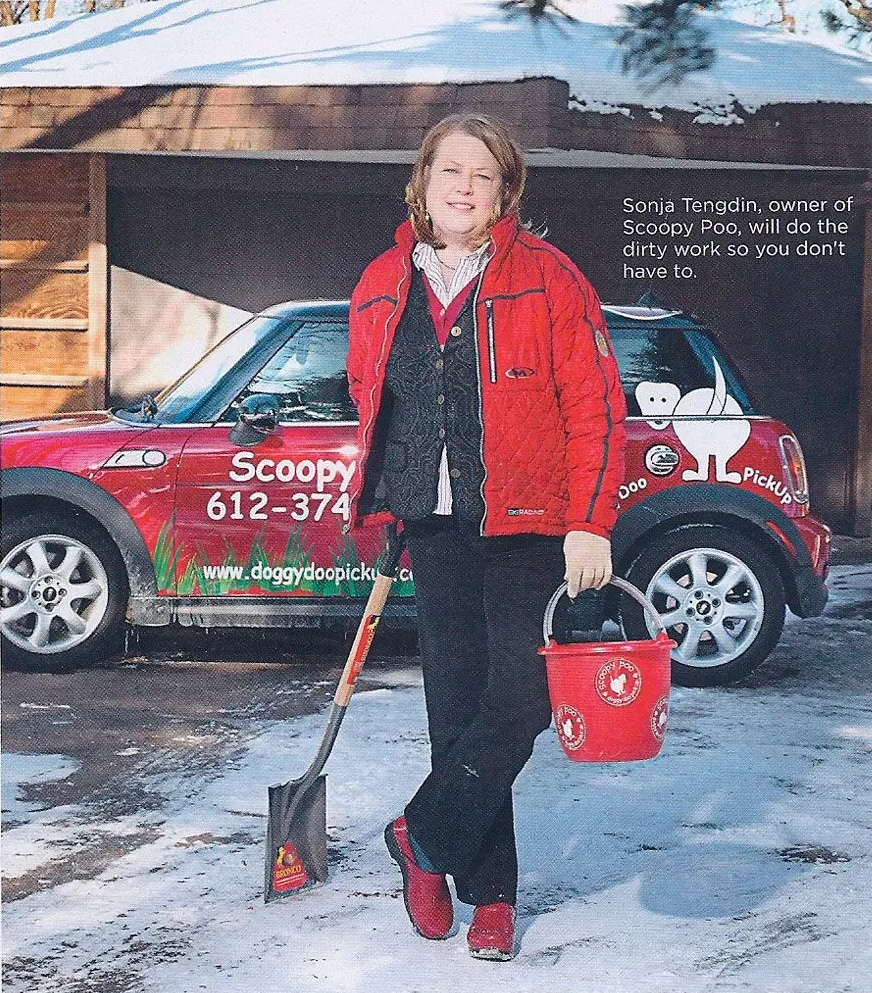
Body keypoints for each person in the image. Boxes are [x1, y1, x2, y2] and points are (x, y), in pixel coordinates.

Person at [346, 113, 627, 961]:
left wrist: (590, 520)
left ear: (506, 192)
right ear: (422, 181)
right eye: (449, 171)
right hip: (432, 526)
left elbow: (597, 407)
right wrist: (386, 499)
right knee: (455, 708)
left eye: (483, 175)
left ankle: (421, 837)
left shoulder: (549, 278)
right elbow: (374, 402)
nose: (463, 188)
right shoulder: (381, 281)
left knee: (525, 696)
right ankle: (490, 893)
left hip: (530, 525)